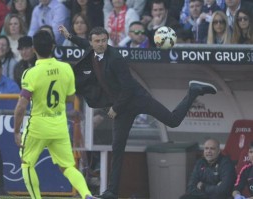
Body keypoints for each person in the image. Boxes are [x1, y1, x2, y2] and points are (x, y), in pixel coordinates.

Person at [59, 26, 218, 199]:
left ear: (107, 40)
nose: (101, 44)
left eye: (104, 41)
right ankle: (111, 192)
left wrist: (115, 108)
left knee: (173, 121)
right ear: (92, 42)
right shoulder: (93, 50)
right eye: (97, 41)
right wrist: (69, 36)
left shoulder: (115, 58)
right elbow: (84, 44)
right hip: (122, 107)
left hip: (136, 99)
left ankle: (193, 91)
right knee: (117, 148)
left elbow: (127, 88)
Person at [13, 30, 98, 199]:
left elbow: (21, 107)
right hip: (59, 124)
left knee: (27, 164)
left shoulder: (30, 73)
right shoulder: (66, 68)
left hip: (38, 124)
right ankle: (86, 194)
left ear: (34, 49)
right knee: (67, 166)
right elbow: (70, 97)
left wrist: (16, 131)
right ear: (53, 47)